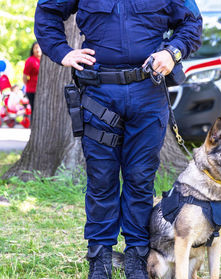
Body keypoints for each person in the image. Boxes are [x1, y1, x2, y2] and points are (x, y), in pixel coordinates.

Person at [34, 1, 202, 278]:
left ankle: (137, 255)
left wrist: (173, 52)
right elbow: (48, 11)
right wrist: (62, 52)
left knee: (140, 178)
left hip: (148, 92)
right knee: (101, 178)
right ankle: (99, 257)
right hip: (98, 92)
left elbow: (191, 23)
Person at [23, 42, 42, 114]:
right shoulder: (30, 60)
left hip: (42, 89)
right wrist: (28, 85)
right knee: (34, 111)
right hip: (32, 90)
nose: (38, 49)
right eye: (36, 47)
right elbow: (25, 76)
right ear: (33, 50)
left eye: (39, 47)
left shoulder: (43, 60)